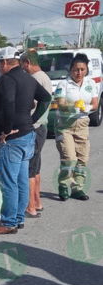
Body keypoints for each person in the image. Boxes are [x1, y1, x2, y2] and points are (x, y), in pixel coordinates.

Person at [0, 47, 51, 235]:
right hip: (28, 135)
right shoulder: (28, 78)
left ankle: (8, 223)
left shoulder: (7, 79)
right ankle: (18, 219)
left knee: (9, 183)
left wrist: (7, 129)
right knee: (22, 180)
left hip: (13, 139)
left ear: (5, 62)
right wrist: (32, 120)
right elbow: (46, 98)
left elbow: (8, 103)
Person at [54, 53, 99, 201]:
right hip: (65, 124)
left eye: (82, 69)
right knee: (69, 159)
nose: (79, 73)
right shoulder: (64, 84)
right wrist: (74, 105)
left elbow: (95, 103)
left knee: (82, 159)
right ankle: (63, 185)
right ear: (70, 69)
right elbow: (60, 102)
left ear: (86, 69)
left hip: (82, 124)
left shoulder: (90, 83)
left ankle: (77, 188)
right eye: (76, 69)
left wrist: (87, 107)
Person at [20, 50, 52, 217]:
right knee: (36, 167)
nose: (22, 68)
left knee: (29, 169)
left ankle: (30, 206)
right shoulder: (45, 77)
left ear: (27, 62)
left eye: (22, 64)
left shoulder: (34, 79)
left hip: (35, 126)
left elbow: (32, 103)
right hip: (42, 127)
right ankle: (37, 202)